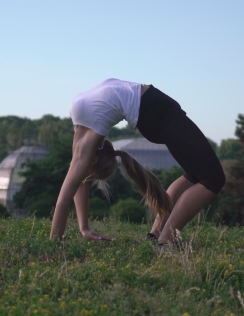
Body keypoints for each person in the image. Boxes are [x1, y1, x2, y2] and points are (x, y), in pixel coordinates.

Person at [50, 78, 225, 248]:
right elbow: (68, 196)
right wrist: (66, 237)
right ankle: (166, 241)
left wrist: (82, 229)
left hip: (153, 113)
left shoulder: (82, 141)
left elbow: (76, 185)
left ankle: (156, 235)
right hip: (158, 112)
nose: (82, 175)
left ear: (93, 159)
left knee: (195, 175)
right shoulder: (84, 133)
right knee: (213, 178)